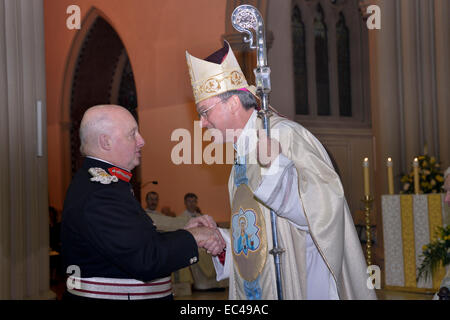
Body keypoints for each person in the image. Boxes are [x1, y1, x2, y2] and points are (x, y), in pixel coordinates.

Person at [185, 41, 377, 300]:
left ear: (232, 103)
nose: (202, 123)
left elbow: (324, 211)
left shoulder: (285, 135)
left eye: (205, 112)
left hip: (303, 280)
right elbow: (259, 239)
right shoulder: (241, 157)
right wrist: (221, 242)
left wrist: (277, 169)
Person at [61, 105, 225, 300]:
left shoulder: (105, 185)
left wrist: (185, 231)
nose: (142, 141)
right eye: (132, 134)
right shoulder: (100, 192)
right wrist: (194, 237)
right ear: (106, 142)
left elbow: (137, 242)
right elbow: (146, 259)